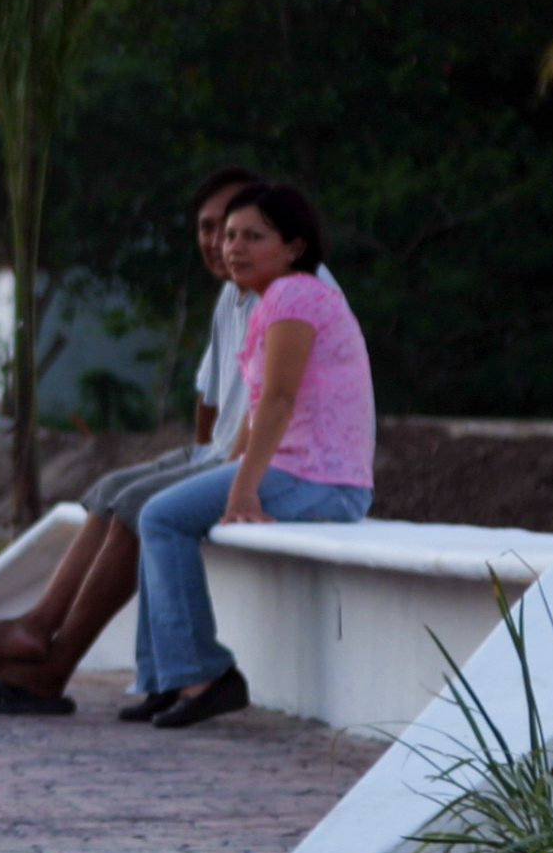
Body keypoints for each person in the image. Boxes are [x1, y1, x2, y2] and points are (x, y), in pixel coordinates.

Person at [0, 164, 266, 716]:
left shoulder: (285, 292)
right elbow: (209, 396)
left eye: (238, 228)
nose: (221, 242)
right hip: (218, 450)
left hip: (265, 461)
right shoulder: (231, 296)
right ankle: (40, 624)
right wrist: (194, 461)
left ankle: (52, 664)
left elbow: (276, 404)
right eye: (210, 228)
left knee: (147, 505)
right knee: (112, 487)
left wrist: (210, 482)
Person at [131, 180, 375, 729]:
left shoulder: (296, 294)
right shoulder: (273, 300)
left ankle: (201, 675)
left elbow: (281, 400)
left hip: (321, 479)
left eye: (253, 237)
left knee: (161, 517)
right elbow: (258, 404)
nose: (232, 247)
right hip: (301, 471)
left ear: (293, 246)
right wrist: (231, 468)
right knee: (161, 510)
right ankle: (164, 677)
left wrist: (241, 486)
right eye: (230, 236)